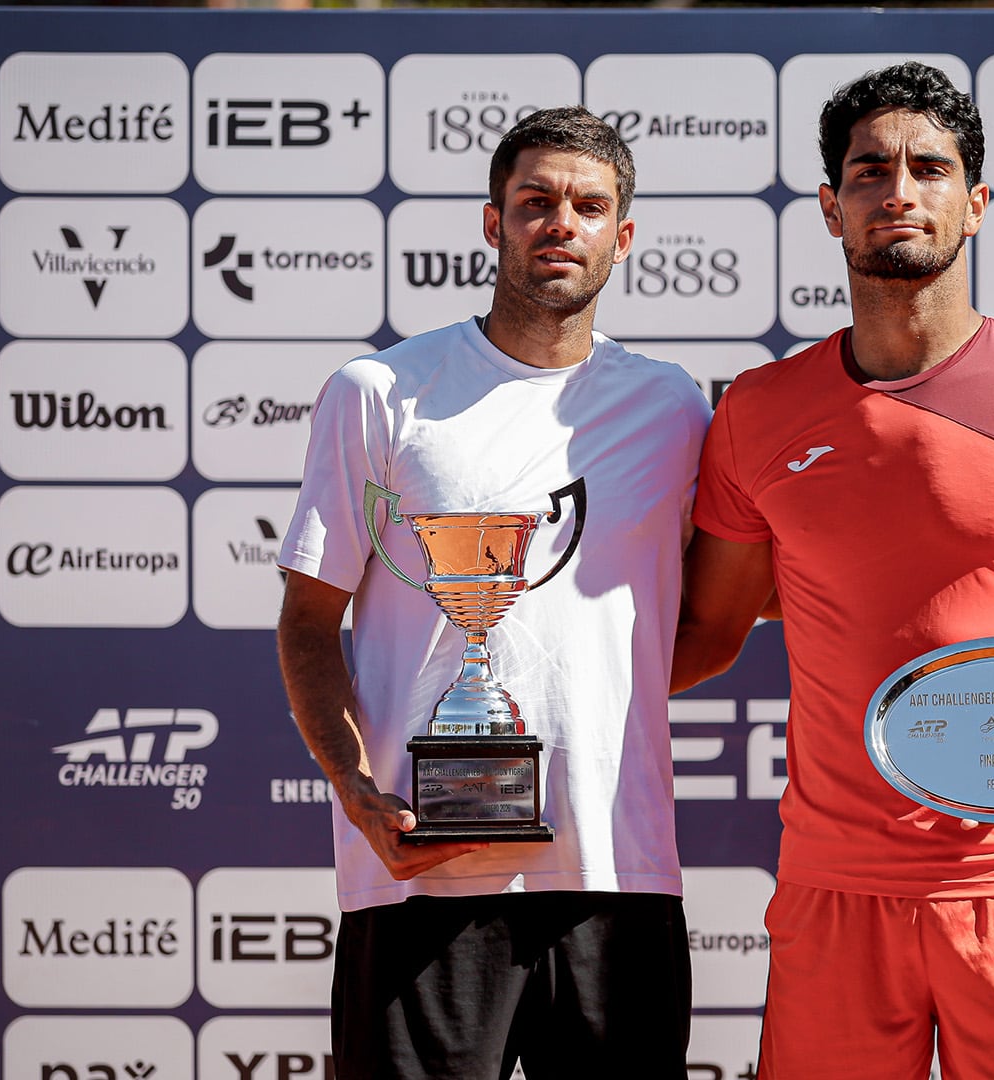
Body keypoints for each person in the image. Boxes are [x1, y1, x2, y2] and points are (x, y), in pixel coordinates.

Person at [671, 63, 994, 1080]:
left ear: (975, 204)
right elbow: (710, 633)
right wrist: (534, 694)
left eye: (929, 168)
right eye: (868, 171)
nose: (897, 190)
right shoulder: (759, 413)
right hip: (835, 886)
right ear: (832, 207)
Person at [276, 106, 707, 1079]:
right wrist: (355, 789)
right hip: (428, 875)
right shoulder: (380, 394)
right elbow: (309, 624)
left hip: (614, 873)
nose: (561, 223)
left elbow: (706, 623)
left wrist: (608, 701)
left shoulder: (674, 406)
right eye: (535, 201)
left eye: (589, 206)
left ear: (622, 236)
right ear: (493, 222)